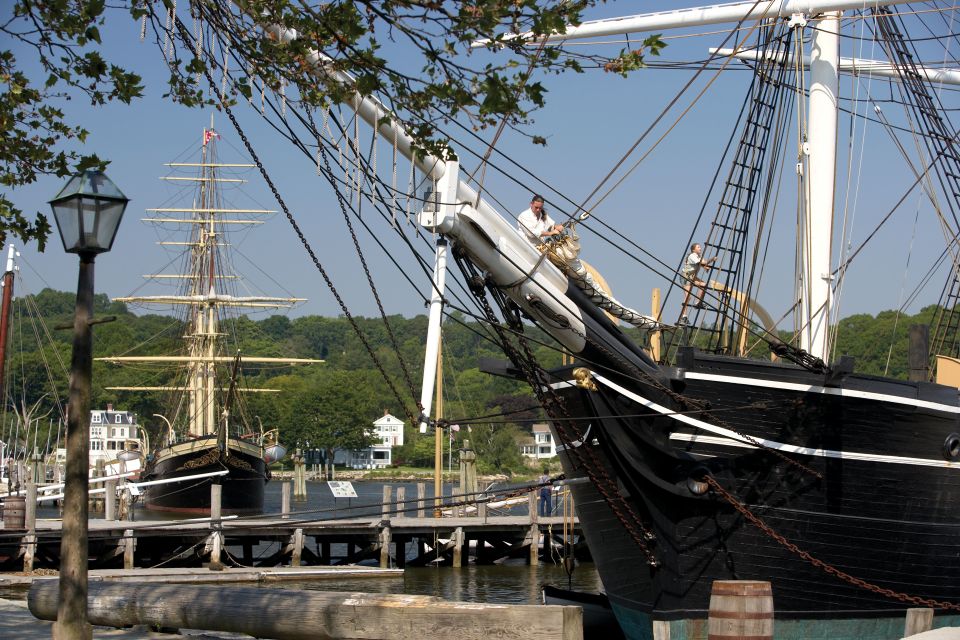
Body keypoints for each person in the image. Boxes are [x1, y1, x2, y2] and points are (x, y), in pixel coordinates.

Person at [678, 242, 716, 325]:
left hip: (692, 277)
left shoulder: (698, 256)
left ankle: (698, 302)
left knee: (704, 285)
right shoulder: (692, 256)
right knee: (688, 297)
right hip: (686, 277)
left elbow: (703, 263)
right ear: (693, 249)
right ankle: (683, 317)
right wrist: (712, 260)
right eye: (698, 247)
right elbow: (701, 263)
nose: (700, 248)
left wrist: (705, 267)